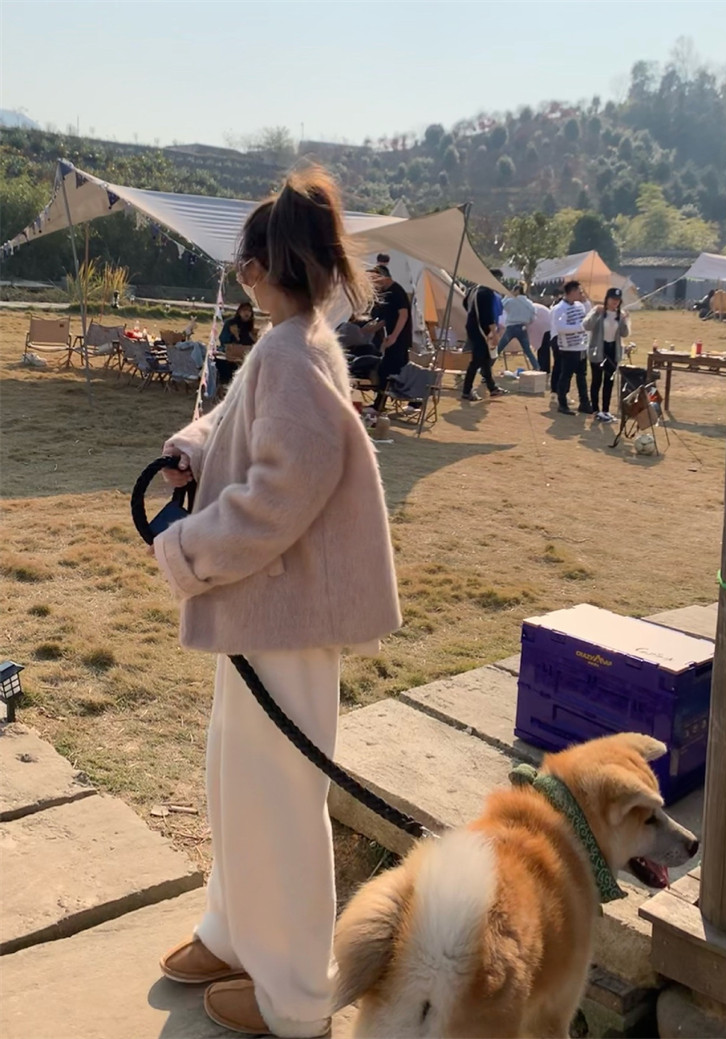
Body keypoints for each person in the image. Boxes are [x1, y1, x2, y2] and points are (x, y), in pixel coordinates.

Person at [154, 167, 402, 1038]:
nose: (241, 276)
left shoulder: (292, 354)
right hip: (268, 614)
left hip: (283, 618)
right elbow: (240, 420)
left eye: (244, 262)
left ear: (265, 266)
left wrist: (186, 549)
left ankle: (294, 996)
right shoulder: (292, 344)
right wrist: (193, 446)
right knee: (240, 779)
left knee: (279, 799)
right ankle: (236, 934)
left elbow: (279, 492)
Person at [366, 264, 412, 414]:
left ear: (383, 277)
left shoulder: (396, 291)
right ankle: (414, 402)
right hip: (394, 337)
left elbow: (403, 315)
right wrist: (372, 329)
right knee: (400, 371)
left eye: (374, 280)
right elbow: (388, 318)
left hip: (399, 339)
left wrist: (394, 336)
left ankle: (378, 405)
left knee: (386, 370)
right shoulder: (386, 293)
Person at [584, 286, 631, 422]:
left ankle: (606, 410)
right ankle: (595, 410)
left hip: (612, 350)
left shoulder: (619, 315)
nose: (615, 302)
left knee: (609, 381)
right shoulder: (598, 311)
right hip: (599, 349)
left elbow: (624, 334)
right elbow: (586, 325)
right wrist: (595, 313)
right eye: (612, 299)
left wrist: (625, 320)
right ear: (607, 299)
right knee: (596, 380)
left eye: (617, 300)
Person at [460, 280, 510, 401]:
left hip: (472, 326)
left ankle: (492, 388)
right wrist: (494, 333)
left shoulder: (473, 289)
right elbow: (488, 316)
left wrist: (472, 316)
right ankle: (466, 391)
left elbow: (465, 303)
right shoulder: (487, 292)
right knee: (477, 360)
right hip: (481, 330)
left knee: (486, 358)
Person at [550, 280, 593, 415]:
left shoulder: (580, 306)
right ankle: (562, 404)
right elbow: (560, 328)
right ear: (572, 292)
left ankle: (584, 403)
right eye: (579, 292)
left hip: (581, 346)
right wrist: (580, 327)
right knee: (566, 376)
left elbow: (588, 315)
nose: (581, 294)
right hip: (568, 348)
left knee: (582, 376)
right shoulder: (560, 308)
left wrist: (586, 302)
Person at [497, 284, 541, 370]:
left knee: (499, 348)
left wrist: (507, 296)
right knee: (527, 350)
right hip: (523, 327)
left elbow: (501, 306)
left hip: (511, 327)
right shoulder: (529, 303)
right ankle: (536, 367)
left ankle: (487, 367)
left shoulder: (510, 301)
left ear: (516, 291)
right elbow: (533, 316)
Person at [215, 302, 258, 386]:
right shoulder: (231, 323)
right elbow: (224, 340)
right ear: (239, 312)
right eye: (244, 310)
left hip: (246, 353)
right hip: (229, 352)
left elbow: (254, 342)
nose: (247, 313)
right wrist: (235, 336)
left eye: (249, 311)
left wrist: (253, 337)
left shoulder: (251, 326)